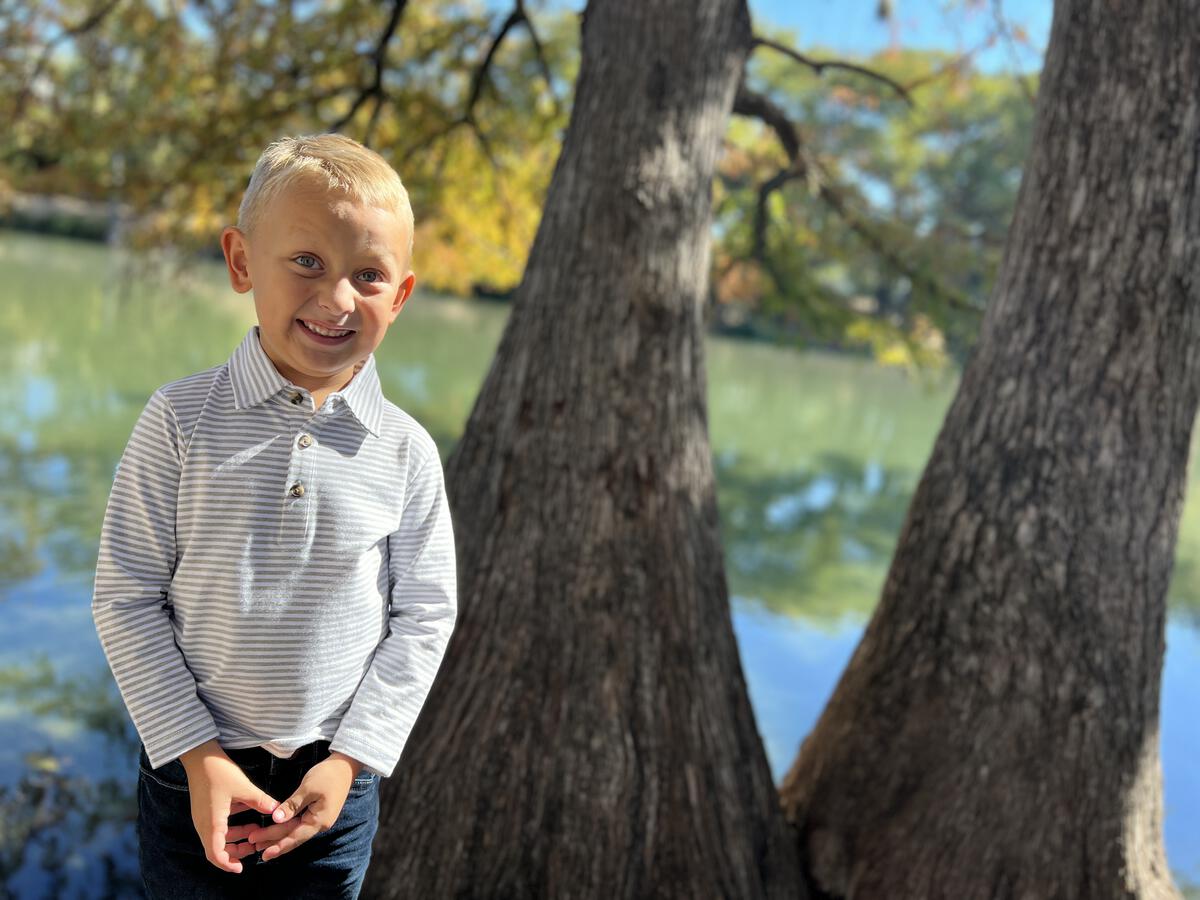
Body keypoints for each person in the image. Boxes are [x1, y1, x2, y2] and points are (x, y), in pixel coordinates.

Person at [90, 133, 459, 899]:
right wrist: (198, 755)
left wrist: (351, 760)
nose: (336, 299)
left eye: (368, 275)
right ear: (241, 261)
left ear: (401, 295)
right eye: (306, 263)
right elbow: (125, 596)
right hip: (190, 766)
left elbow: (424, 617)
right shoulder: (180, 420)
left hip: (332, 782)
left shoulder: (406, 452)